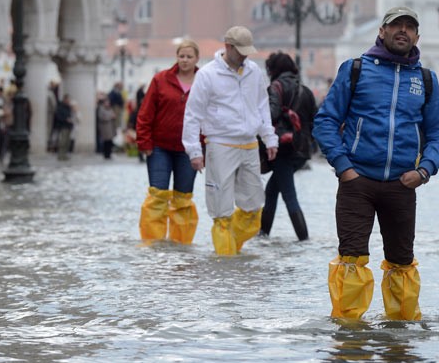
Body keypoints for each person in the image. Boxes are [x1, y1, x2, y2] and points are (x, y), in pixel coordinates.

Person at [313, 6, 439, 321]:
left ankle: (400, 338)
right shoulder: (356, 69)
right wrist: (344, 168)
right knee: (351, 259)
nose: (403, 31)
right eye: (396, 25)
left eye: (409, 27)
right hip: (357, 183)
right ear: (382, 31)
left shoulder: (426, 80)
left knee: (402, 262)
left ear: (417, 36)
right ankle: (349, 335)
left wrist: (424, 171)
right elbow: (325, 121)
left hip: (403, 185)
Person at [182, 26, 277, 255]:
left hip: (250, 143)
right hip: (220, 143)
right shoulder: (207, 74)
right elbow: (193, 114)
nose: (245, 55)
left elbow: (262, 105)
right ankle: (226, 265)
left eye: (247, 51)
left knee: (254, 208)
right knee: (221, 210)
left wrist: (269, 137)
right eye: (240, 50)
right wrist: (194, 150)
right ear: (228, 47)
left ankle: (230, 249)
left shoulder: (254, 71)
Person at [136, 40, 201, 244]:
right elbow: (145, 113)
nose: (185, 60)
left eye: (189, 56)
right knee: (158, 195)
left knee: (183, 199)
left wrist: (204, 148)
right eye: (181, 56)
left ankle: (180, 243)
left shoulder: (204, 81)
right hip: (159, 148)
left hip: (188, 150)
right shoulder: (160, 80)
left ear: (196, 59)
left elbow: (211, 117)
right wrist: (144, 143)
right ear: (177, 57)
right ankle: (153, 242)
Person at [260, 52, 318, 241]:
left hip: (283, 148)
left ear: (273, 70)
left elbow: (272, 114)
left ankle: (303, 239)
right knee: (271, 191)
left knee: (289, 195)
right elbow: (314, 121)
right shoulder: (306, 91)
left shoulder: (276, 87)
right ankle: (263, 235)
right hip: (302, 150)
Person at [53, 94, 74, 160]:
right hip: (63, 126)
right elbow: (58, 117)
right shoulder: (60, 107)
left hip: (68, 126)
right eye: (67, 99)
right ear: (64, 99)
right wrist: (66, 119)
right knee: (63, 141)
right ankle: (60, 155)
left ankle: (64, 155)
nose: (68, 101)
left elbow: (70, 115)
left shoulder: (68, 107)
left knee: (67, 142)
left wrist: (70, 120)